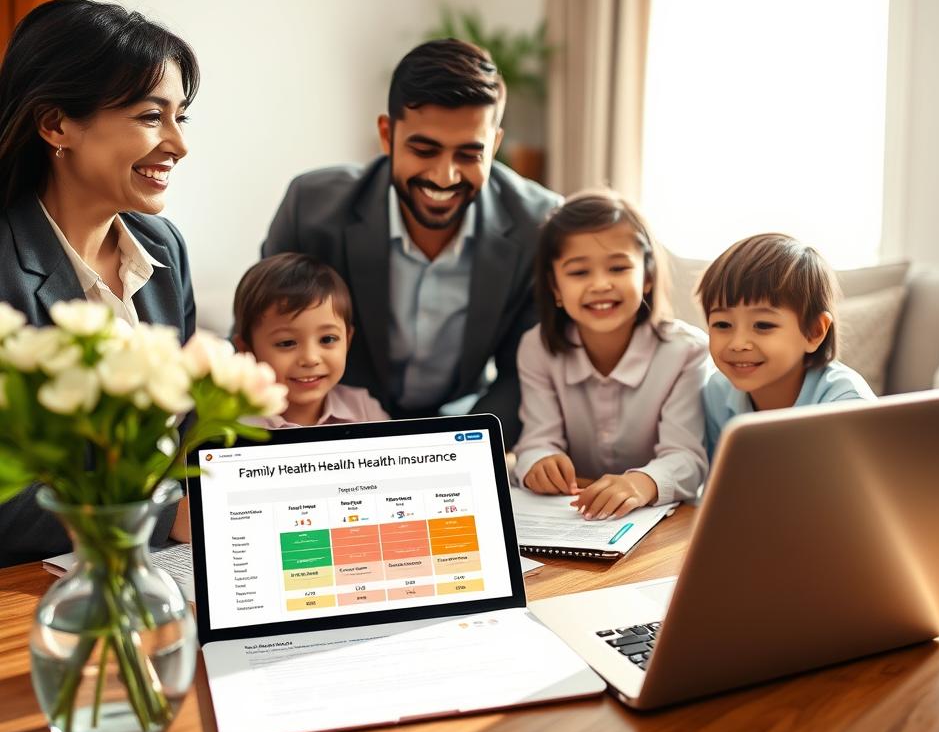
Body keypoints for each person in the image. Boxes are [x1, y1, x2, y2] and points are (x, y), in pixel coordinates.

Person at [261, 39, 559, 439]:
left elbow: (526, 372)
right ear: (387, 135)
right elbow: (260, 338)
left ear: (495, 145)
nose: (444, 176)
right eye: (424, 149)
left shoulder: (538, 225)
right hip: (338, 426)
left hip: (462, 425)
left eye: (469, 155)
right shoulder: (311, 207)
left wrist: (460, 446)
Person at [0, 0, 198, 567]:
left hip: (162, 567)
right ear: (56, 123)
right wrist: (168, 518)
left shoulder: (164, 247)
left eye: (179, 116)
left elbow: (185, 437)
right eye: (149, 116)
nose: (178, 145)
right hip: (37, 583)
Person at [513, 190, 709, 521]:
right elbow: (536, 440)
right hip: (574, 514)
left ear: (646, 277)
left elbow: (686, 457)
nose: (601, 284)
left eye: (618, 268)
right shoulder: (537, 348)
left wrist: (643, 482)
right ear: (555, 288)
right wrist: (539, 463)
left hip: (661, 519)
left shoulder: (687, 352)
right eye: (579, 272)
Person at [697, 232, 875, 462]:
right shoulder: (716, 391)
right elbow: (717, 487)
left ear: (814, 332)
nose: (738, 343)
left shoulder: (846, 403)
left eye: (763, 325)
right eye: (722, 324)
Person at [232, 253, 389, 428]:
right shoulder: (235, 424)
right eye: (287, 343)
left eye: (327, 339)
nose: (310, 358)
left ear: (347, 340)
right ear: (246, 350)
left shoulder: (364, 410)